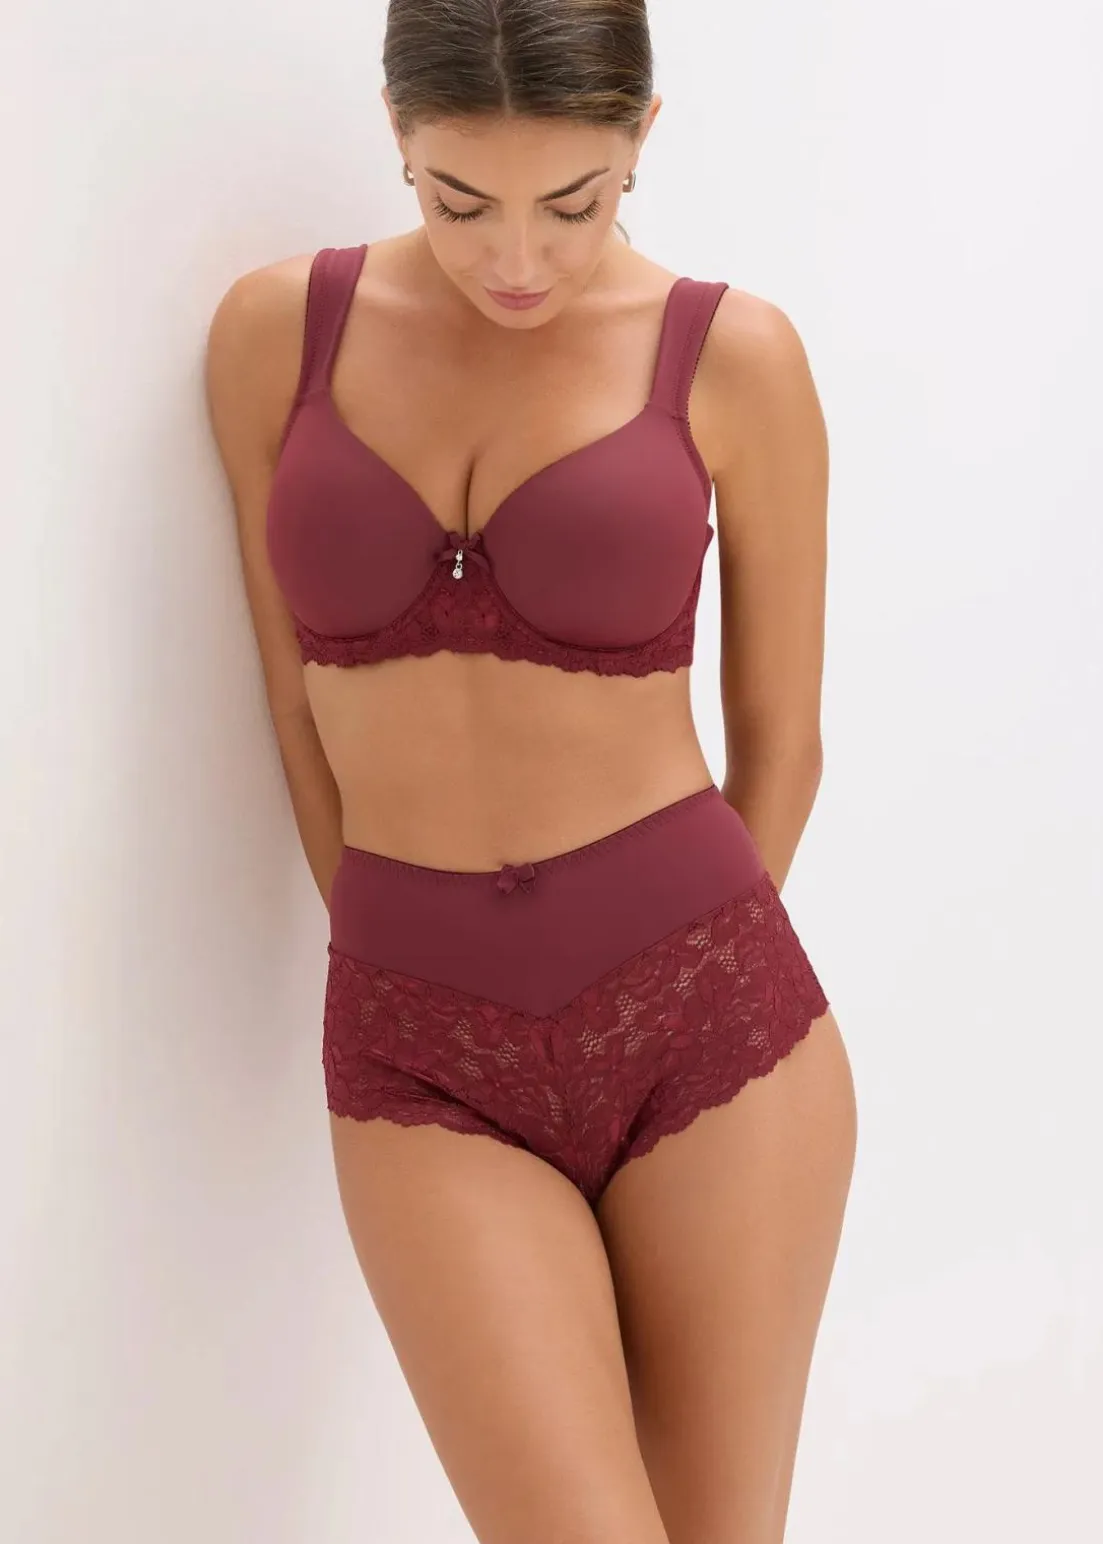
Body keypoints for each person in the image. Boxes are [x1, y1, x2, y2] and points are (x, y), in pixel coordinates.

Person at [205, 3, 857, 1539]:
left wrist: (681, 975)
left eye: (572, 204)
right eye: (458, 201)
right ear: (394, 134)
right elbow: (291, 706)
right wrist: (408, 964)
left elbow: (784, 736)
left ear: (639, 141)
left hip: (710, 1032)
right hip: (419, 1045)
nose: (514, 260)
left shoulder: (733, 356)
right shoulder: (274, 336)